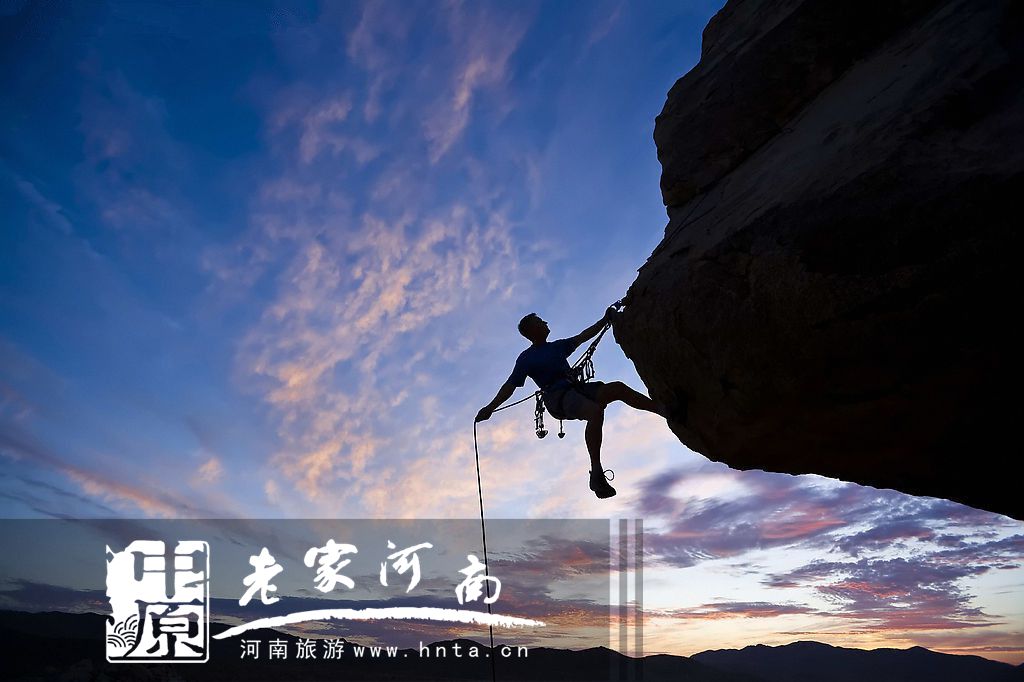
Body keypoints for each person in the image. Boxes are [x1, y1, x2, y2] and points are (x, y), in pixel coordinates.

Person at [475, 306, 666, 499]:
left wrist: (604, 320)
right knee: (594, 412)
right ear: (532, 330)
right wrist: (491, 407)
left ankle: (662, 410)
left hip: (575, 389)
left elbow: (582, 337)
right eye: (540, 322)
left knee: (617, 388)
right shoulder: (526, 359)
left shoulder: (557, 347)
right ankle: (596, 472)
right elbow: (510, 385)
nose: (545, 322)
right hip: (557, 398)